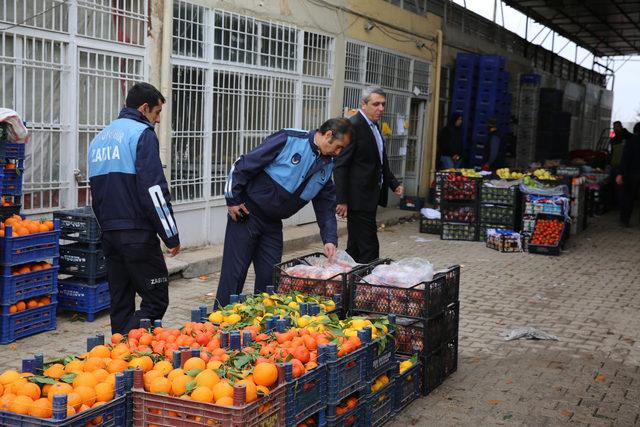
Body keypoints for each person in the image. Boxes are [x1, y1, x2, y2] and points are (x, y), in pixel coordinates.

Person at [216, 118, 353, 307]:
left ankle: (260, 326)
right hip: (247, 214)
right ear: (328, 135)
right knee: (234, 274)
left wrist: (329, 239)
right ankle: (218, 323)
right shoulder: (289, 139)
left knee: (270, 279)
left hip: (273, 223)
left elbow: (326, 207)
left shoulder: (327, 165)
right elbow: (243, 164)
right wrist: (233, 199)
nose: (338, 153)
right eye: (338, 147)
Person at [88, 82, 180, 335]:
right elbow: (154, 190)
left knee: (120, 301)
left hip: (110, 234)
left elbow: (94, 193)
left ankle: (119, 356)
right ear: (144, 108)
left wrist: (106, 229)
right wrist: (170, 235)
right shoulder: (141, 134)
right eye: (157, 112)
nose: (158, 120)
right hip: (137, 233)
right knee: (156, 298)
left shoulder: (99, 139)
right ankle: (132, 340)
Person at [334, 86, 404, 264]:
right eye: (376, 104)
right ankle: (370, 282)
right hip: (358, 198)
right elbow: (341, 165)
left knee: (356, 245)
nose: (381, 108)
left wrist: (393, 183)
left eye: (383, 104)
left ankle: (350, 281)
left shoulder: (374, 126)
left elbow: (380, 160)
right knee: (369, 246)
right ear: (363, 105)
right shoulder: (354, 126)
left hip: (370, 195)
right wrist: (342, 199)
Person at [616, 122, 640, 227]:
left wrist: (620, 173)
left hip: (631, 174)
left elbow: (625, 159)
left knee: (628, 198)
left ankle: (624, 220)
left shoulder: (631, 142)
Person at [609, 121, 633, 208]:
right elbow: (612, 153)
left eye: (617, 127)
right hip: (615, 165)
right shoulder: (614, 139)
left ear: (621, 127)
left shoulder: (629, 137)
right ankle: (616, 204)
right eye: (614, 127)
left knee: (621, 187)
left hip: (623, 167)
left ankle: (620, 205)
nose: (615, 129)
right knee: (615, 186)